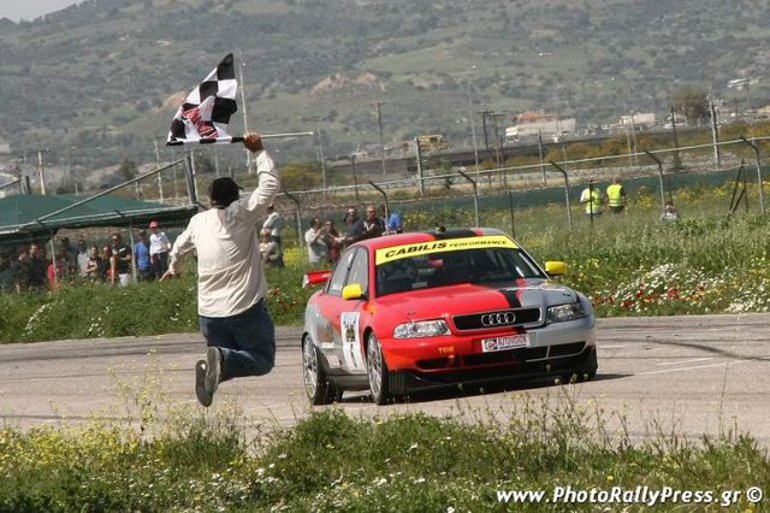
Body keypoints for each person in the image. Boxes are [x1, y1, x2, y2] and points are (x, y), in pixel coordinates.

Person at [160, 133, 280, 407]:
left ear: (210, 198)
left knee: (224, 354)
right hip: (244, 308)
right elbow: (270, 184)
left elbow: (178, 247)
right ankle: (222, 361)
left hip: (209, 314)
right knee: (261, 360)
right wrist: (258, 151)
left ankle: (216, 366)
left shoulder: (199, 221)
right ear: (237, 197)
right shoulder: (241, 213)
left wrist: (174, 268)